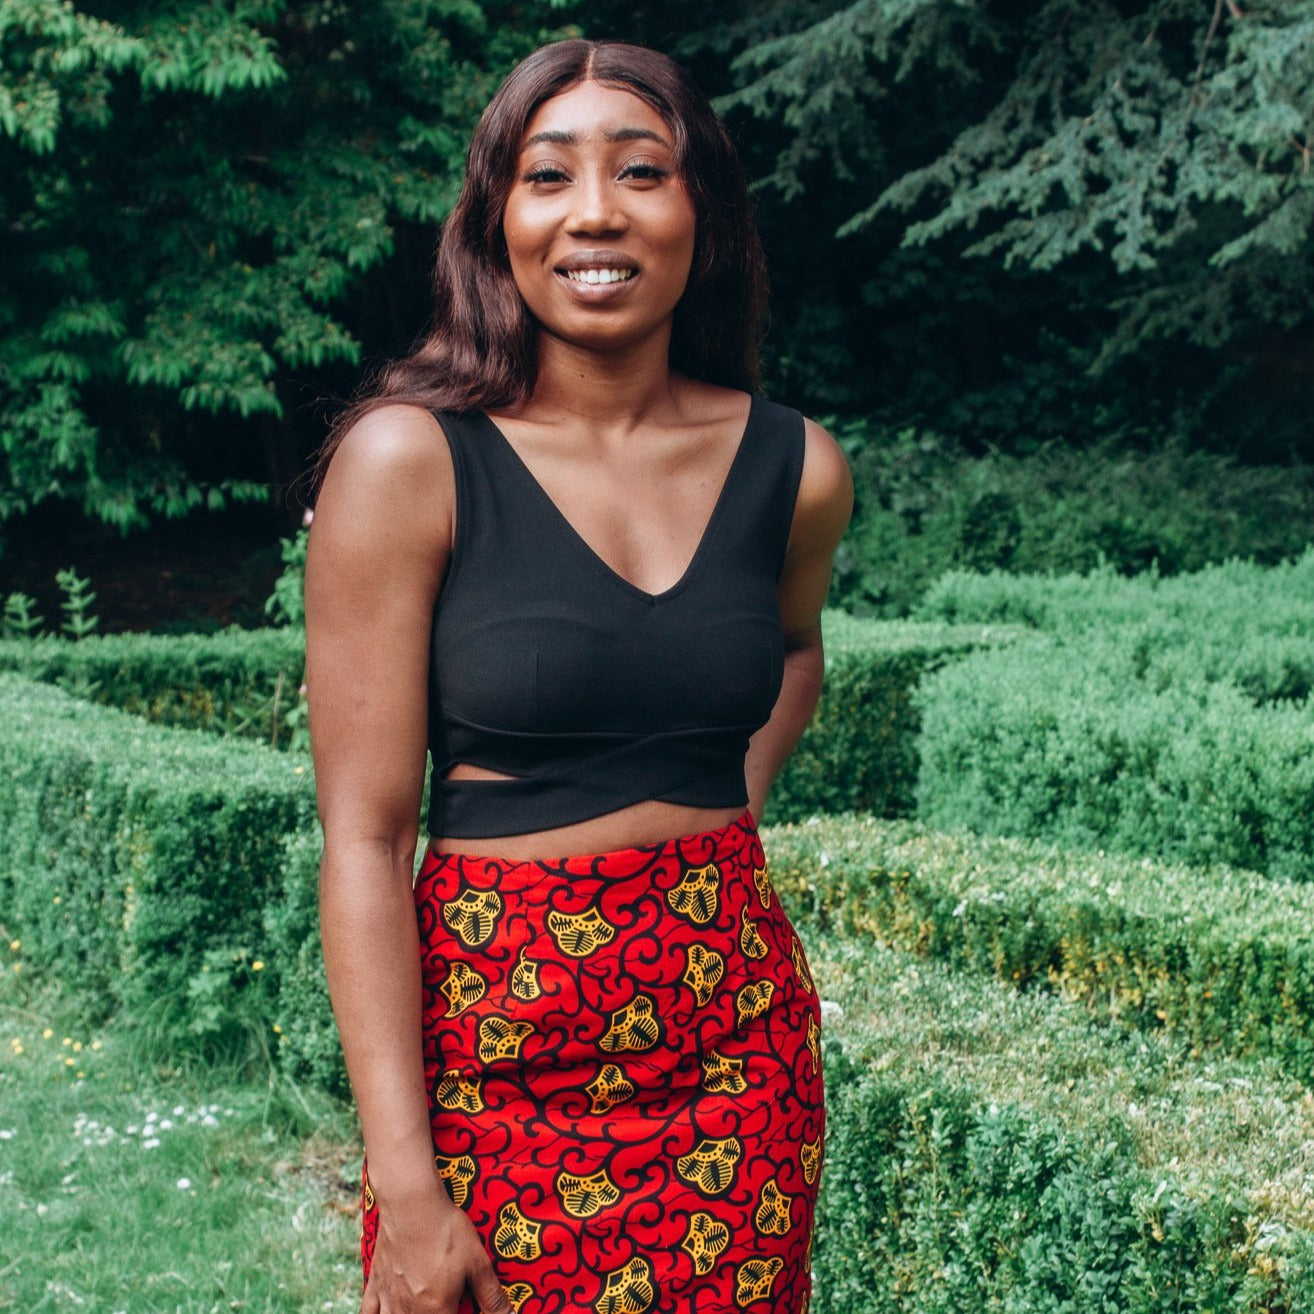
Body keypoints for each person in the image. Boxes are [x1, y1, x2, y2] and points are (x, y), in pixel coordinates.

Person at [305, 36, 852, 1314]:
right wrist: (405, 1183)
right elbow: (366, 841)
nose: (595, 211)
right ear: (497, 221)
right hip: (494, 1061)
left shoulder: (796, 467)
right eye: (548, 175)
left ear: (701, 211)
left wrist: (724, 812)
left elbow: (792, 648)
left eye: (641, 170)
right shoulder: (408, 462)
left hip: (737, 1055)